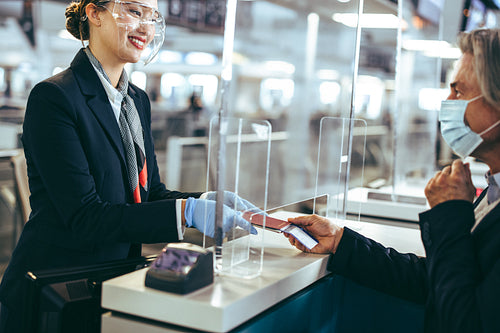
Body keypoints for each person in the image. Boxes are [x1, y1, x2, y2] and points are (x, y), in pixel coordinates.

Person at [0, 0, 256, 331]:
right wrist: (186, 214)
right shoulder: (55, 98)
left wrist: (204, 200)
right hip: (55, 289)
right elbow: (85, 216)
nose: (146, 28)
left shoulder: (137, 100)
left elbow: (148, 195)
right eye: (134, 11)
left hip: (115, 282)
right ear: (94, 14)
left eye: (152, 17)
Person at [285, 28, 500, 333]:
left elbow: (466, 322)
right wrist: (342, 241)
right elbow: (440, 280)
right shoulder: (493, 191)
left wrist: (450, 216)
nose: (447, 101)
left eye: (460, 91)